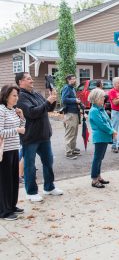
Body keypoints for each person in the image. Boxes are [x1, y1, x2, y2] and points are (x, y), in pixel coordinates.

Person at [15, 72, 63, 202]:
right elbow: (32, 113)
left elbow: (47, 108)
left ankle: (49, 187)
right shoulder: (21, 97)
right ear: (20, 82)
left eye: (31, 78)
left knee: (48, 162)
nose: (31, 80)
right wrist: (47, 102)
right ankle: (31, 192)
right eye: (28, 78)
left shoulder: (36, 94)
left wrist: (52, 99)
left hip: (44, 135)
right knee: (29, 165)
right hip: (30, 137)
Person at [0, 85, 26, 221]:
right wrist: (17, 130)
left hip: (15, 148)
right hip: (4, 151)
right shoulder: (1, 110)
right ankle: (4, 211)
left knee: (13, 180)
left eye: (17, 95)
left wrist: (21, 117)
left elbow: (22, 126)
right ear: (6, 96)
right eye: (14, 95)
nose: (17, 98)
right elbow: (0, 132)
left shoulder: (13, 110)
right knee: (5, 182)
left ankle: (11, 205)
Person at [88, 88, 117, 188]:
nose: (103, 99)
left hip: (104, 136)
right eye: (101, 98)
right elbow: (101, 124)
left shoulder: (101, 108)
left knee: (100, 158)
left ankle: (98, 176)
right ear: (95, 98)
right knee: (97, 158)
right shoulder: (94, 111)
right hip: (100, 136)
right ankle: (94, 179)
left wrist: (112, 129)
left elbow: (108, 121)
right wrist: (111, 131)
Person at [61, 74, 81, 160]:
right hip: (70, 114)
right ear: (69, 80)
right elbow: (64, 99)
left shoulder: (72, 88)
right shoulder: (66, 88)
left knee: (74, 132)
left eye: (75, 78)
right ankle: (68, 152)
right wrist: (75, 100)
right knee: (70, 133)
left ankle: (72, 149)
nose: (75, 80)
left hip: (74, 113)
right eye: (73, 79)